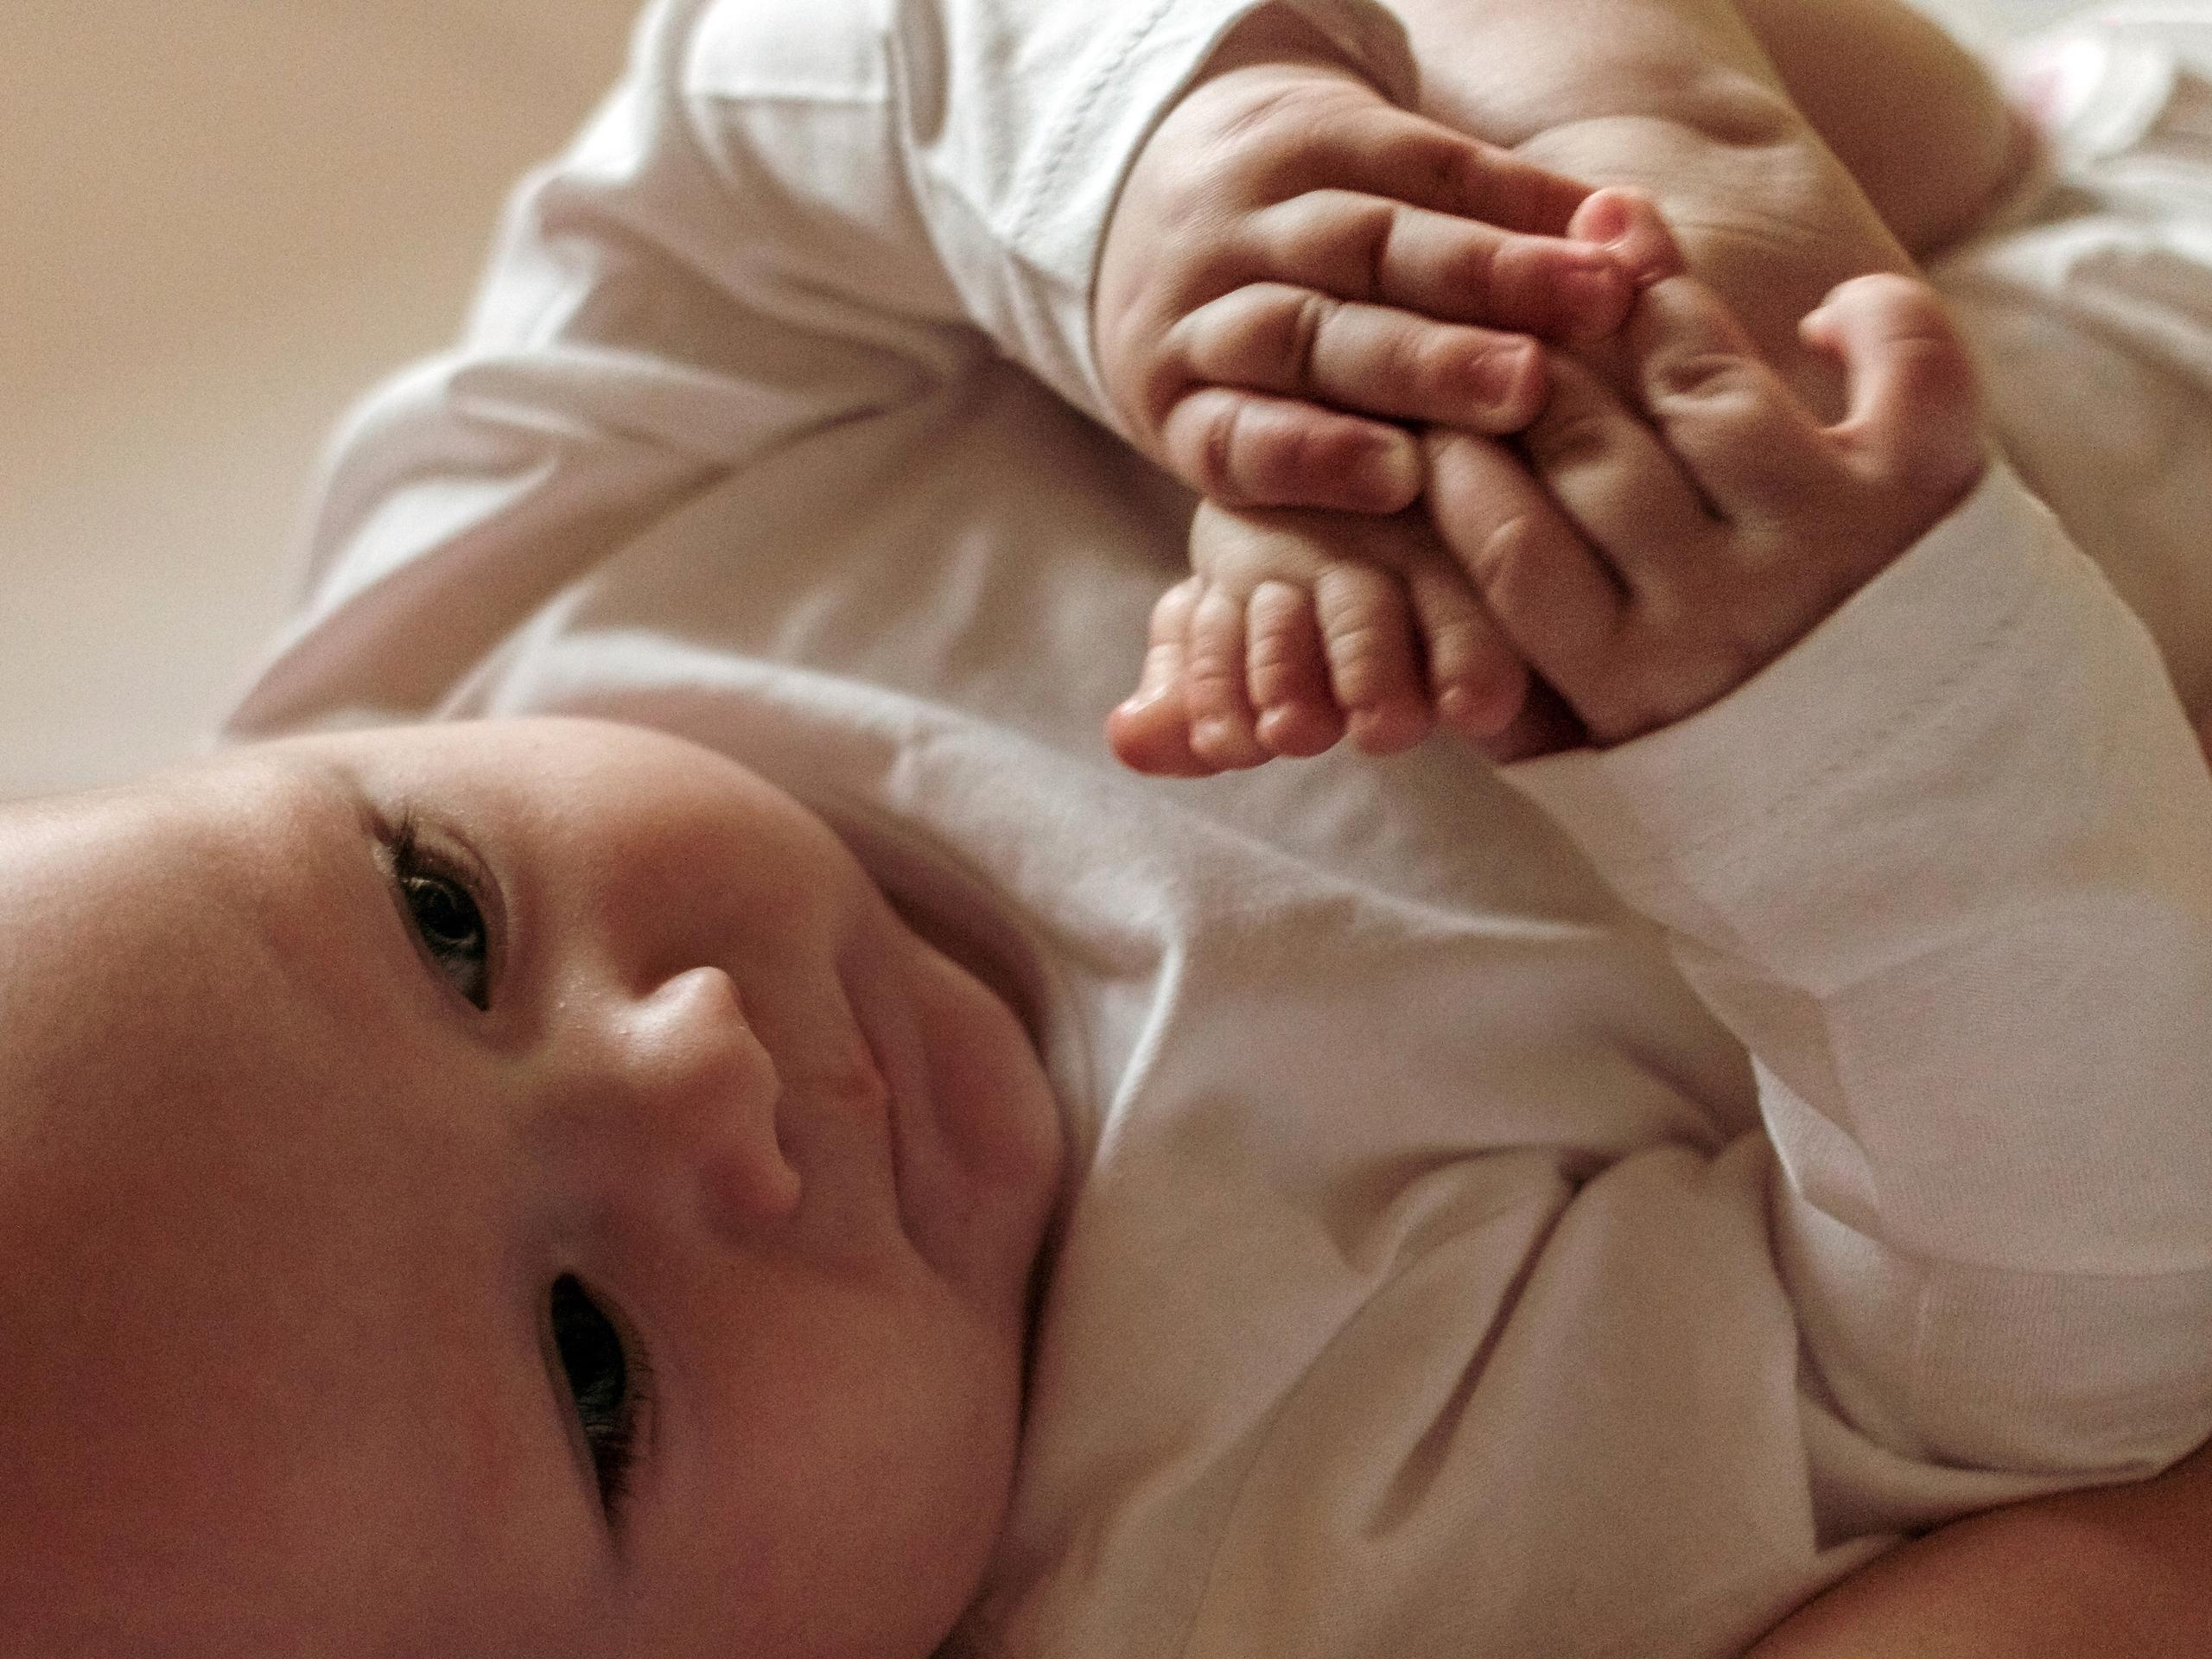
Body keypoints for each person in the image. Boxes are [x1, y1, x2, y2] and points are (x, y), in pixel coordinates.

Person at [3, 3, 2209, 1659]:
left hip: (1961, 205)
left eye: (442, 921)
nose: (691, 1059)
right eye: (589, 1367)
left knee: (1446, 42)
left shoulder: (492, 589)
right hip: (2089, 669)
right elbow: (2034, 1340)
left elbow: (781, 97)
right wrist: (1827, 711)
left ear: (294, 740)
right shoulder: (1257, 1547)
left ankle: (1640, 156)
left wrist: (1179, 196)